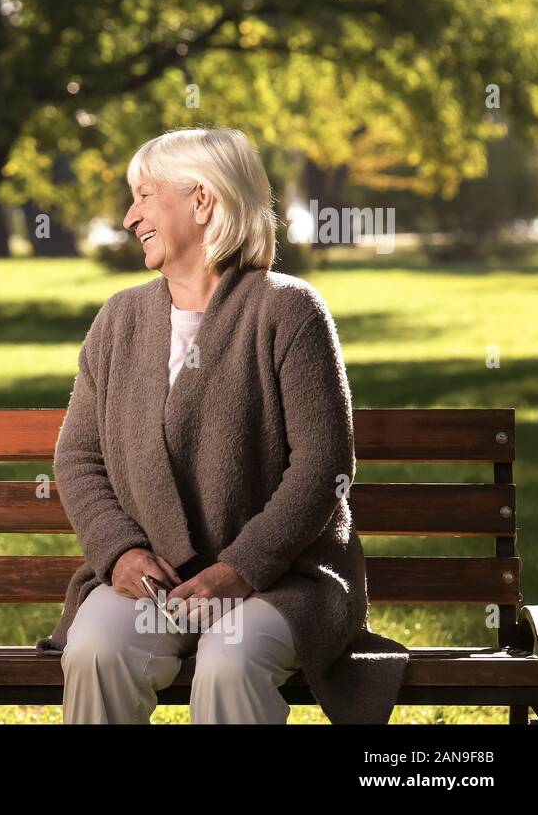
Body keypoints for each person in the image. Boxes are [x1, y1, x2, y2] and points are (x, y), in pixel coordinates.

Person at [36, 127, 409, 724]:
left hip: (283, 579)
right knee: (95, 650)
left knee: (229, 661)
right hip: (153, 583)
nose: (131, 217)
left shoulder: (287, 310)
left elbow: (322, 466)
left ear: (202, 200)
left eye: (144, 196)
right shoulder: (119, 320)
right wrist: (121, 553)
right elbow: (79, 459)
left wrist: (238, 570)